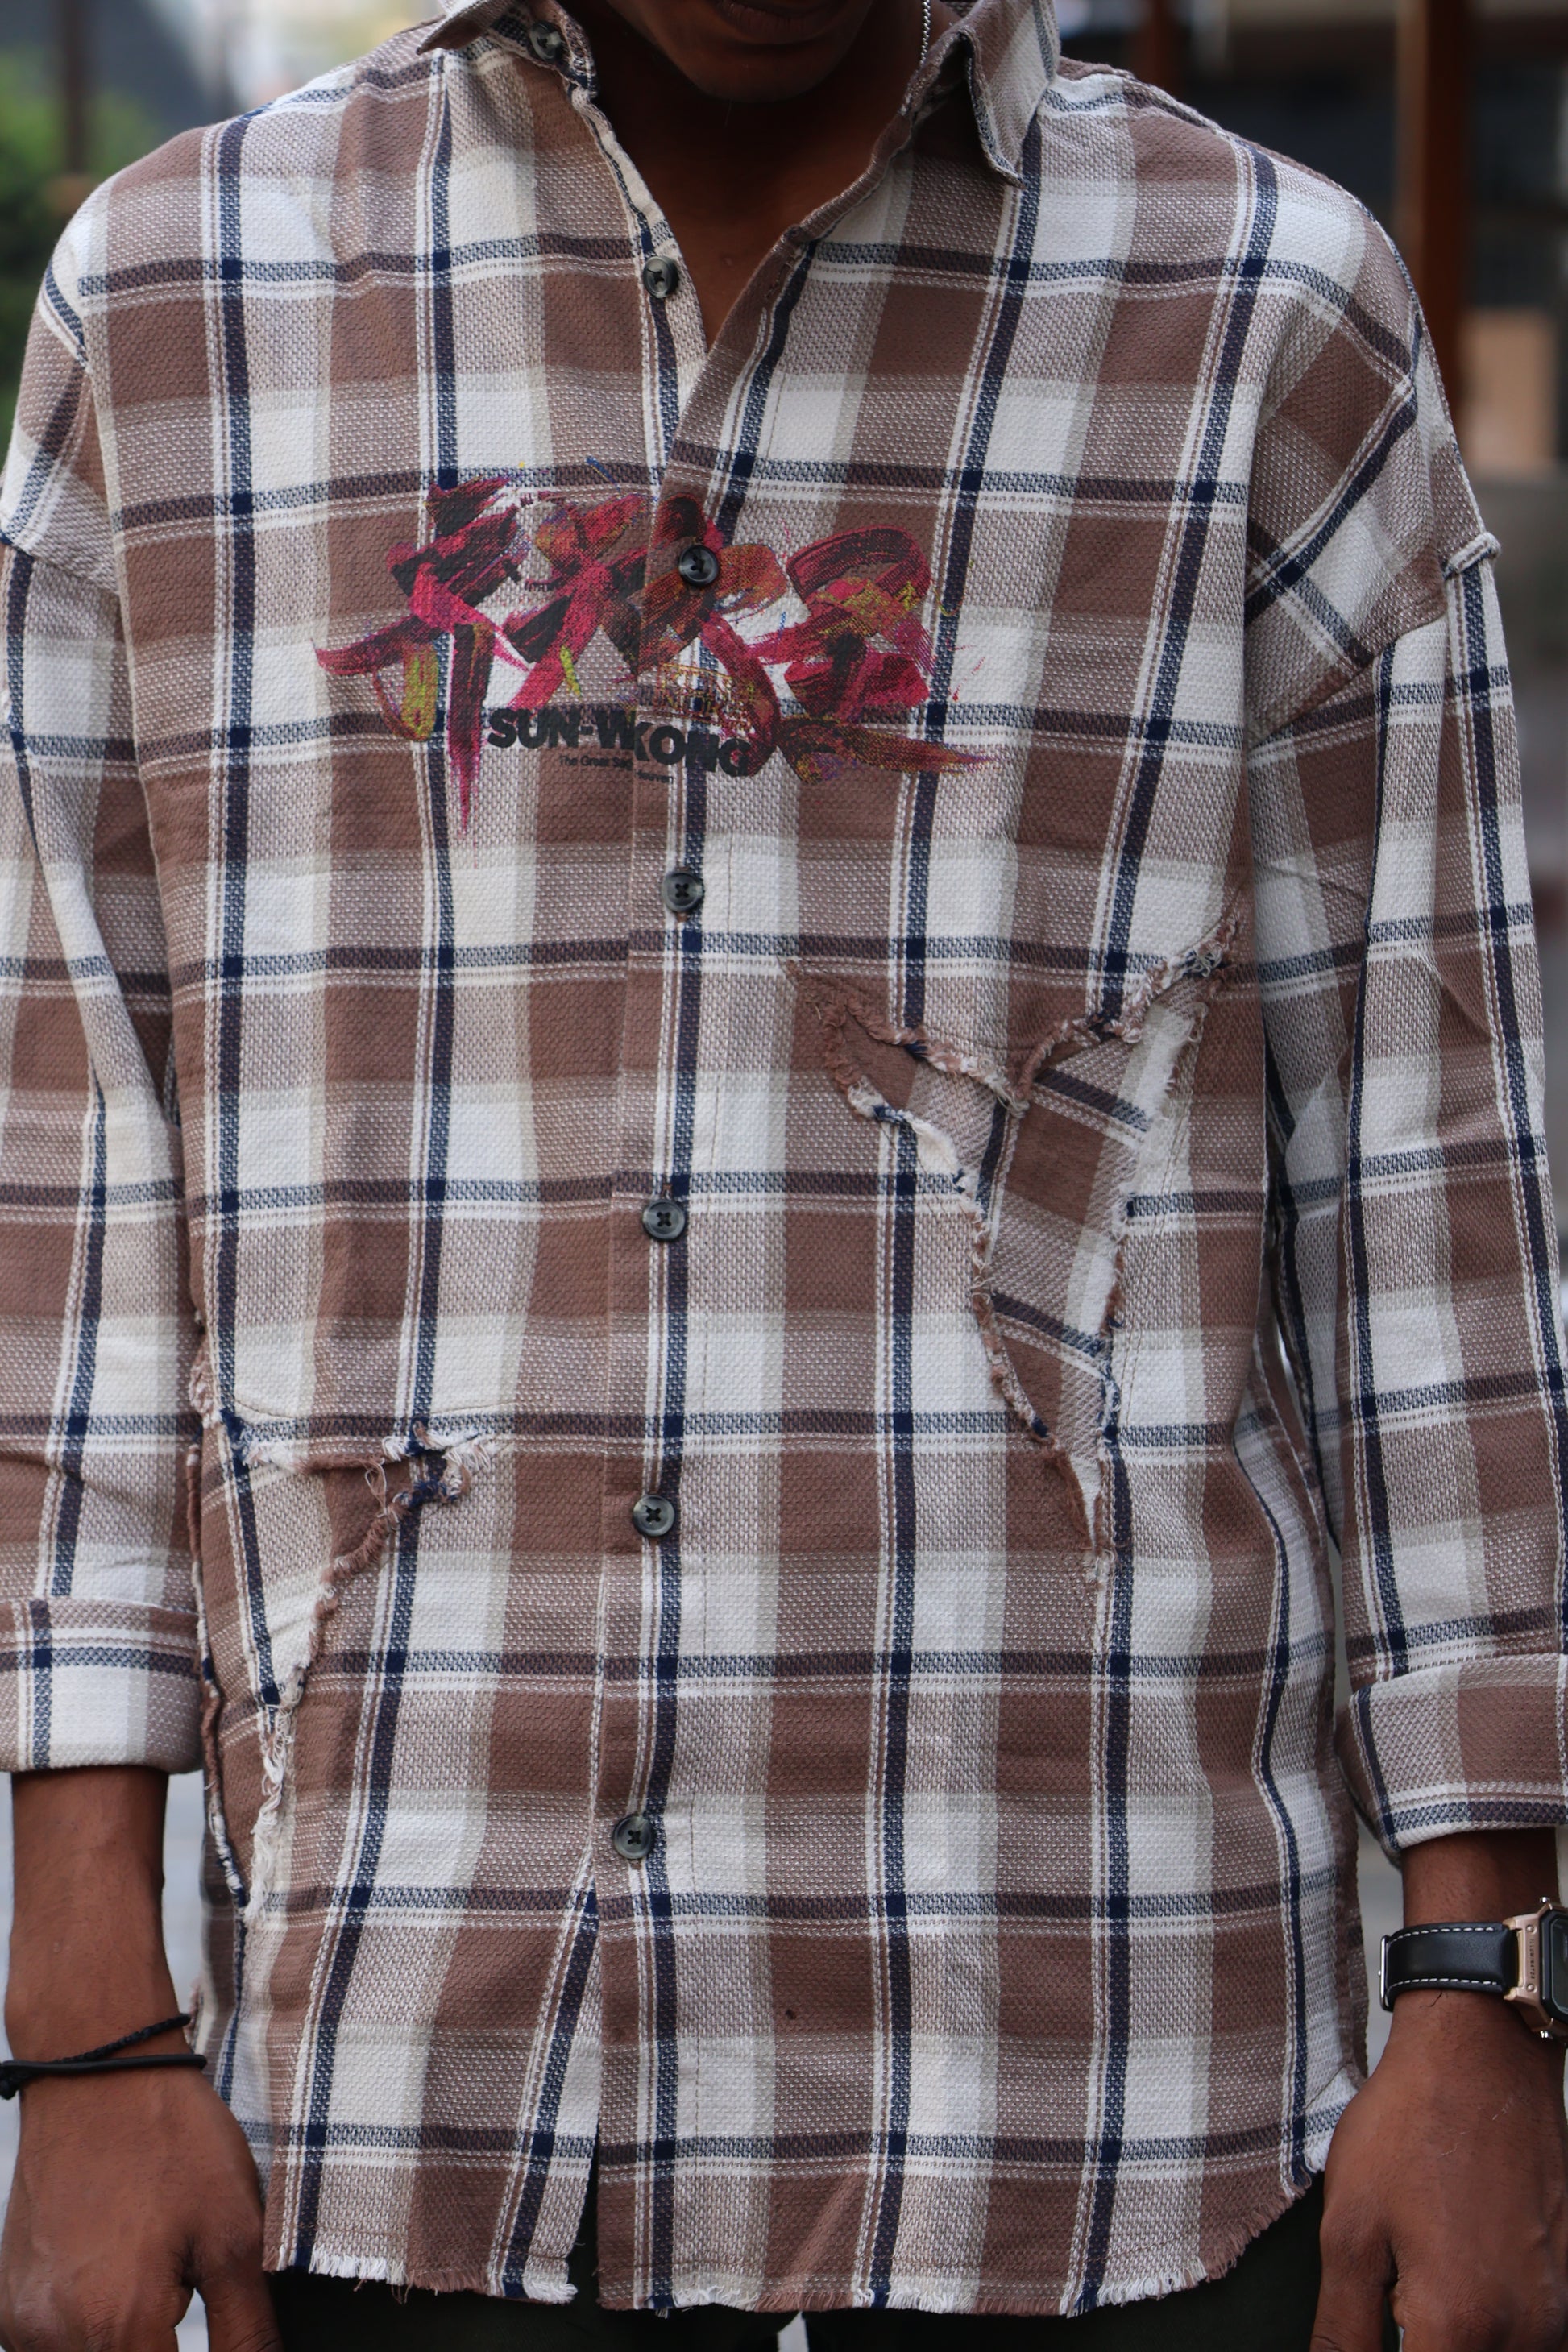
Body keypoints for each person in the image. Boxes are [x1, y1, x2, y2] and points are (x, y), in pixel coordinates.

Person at [0, 0, 1566, 2342]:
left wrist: (1488, 1985)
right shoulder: (179, 307)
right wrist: (85, 2020)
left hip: (1119, 2103)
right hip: (397, 2087)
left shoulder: (1262, 314)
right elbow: (71, 1190)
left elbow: (1423, 1193)